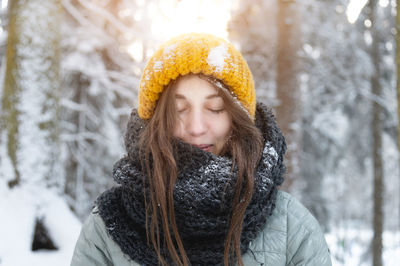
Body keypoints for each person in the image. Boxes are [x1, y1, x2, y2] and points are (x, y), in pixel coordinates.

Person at [71, 33, 332, 266]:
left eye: (215, 108)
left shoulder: (292, 228)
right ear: (157, 122)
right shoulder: (107, 228)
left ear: (236, 119)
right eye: (178, 110)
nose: (196, 128)